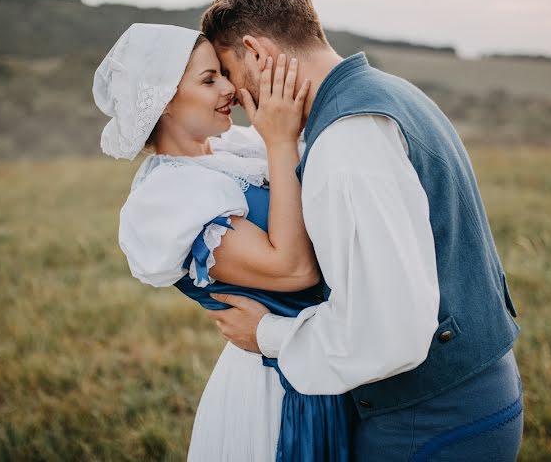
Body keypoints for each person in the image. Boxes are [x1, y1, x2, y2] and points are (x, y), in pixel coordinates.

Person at [200, 0, 524, 461]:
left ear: (256, 52)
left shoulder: (347, 145)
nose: (234, 96)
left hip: (430, 425)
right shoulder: (388, 93)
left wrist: (266, 334)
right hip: (470, 398)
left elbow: (388, 330)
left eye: (229, 71)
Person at [92, 23, 355, 461]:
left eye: (224, 74)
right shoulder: (172, 197)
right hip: (277, 389)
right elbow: (294, 269)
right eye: (209, 79)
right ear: (165, 101)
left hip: (326, 358)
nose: (230, 88)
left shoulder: (235, 150)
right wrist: (280, 141)